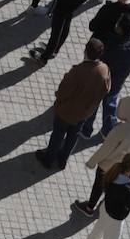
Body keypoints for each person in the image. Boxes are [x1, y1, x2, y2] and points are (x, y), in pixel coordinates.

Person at [74, 93, 130, 220]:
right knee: (114, 186)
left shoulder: (121, 129)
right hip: (126, 166)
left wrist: (92, 162)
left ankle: (89, 208)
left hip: (109, 165)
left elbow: (106, 149)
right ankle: (105, 204)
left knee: (99, 186)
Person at [35, 39, 110, 172]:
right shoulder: (104, 70)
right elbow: (106, 90)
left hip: (66, 112)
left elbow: (63, 91)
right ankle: (63, 159)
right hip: (84, 113)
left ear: (85, 51)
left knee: (58, 135)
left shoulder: (77, 71)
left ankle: (48, 158)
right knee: (72, 136)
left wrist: (58, 99)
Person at [89, 11, 130, 137]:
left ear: (120, 29)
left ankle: (86, 128)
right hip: (119, 80)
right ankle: (107, 130)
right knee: (110, 102)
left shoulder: (112, 46)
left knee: (94, 101)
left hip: (103, 79)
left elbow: (100, 61)